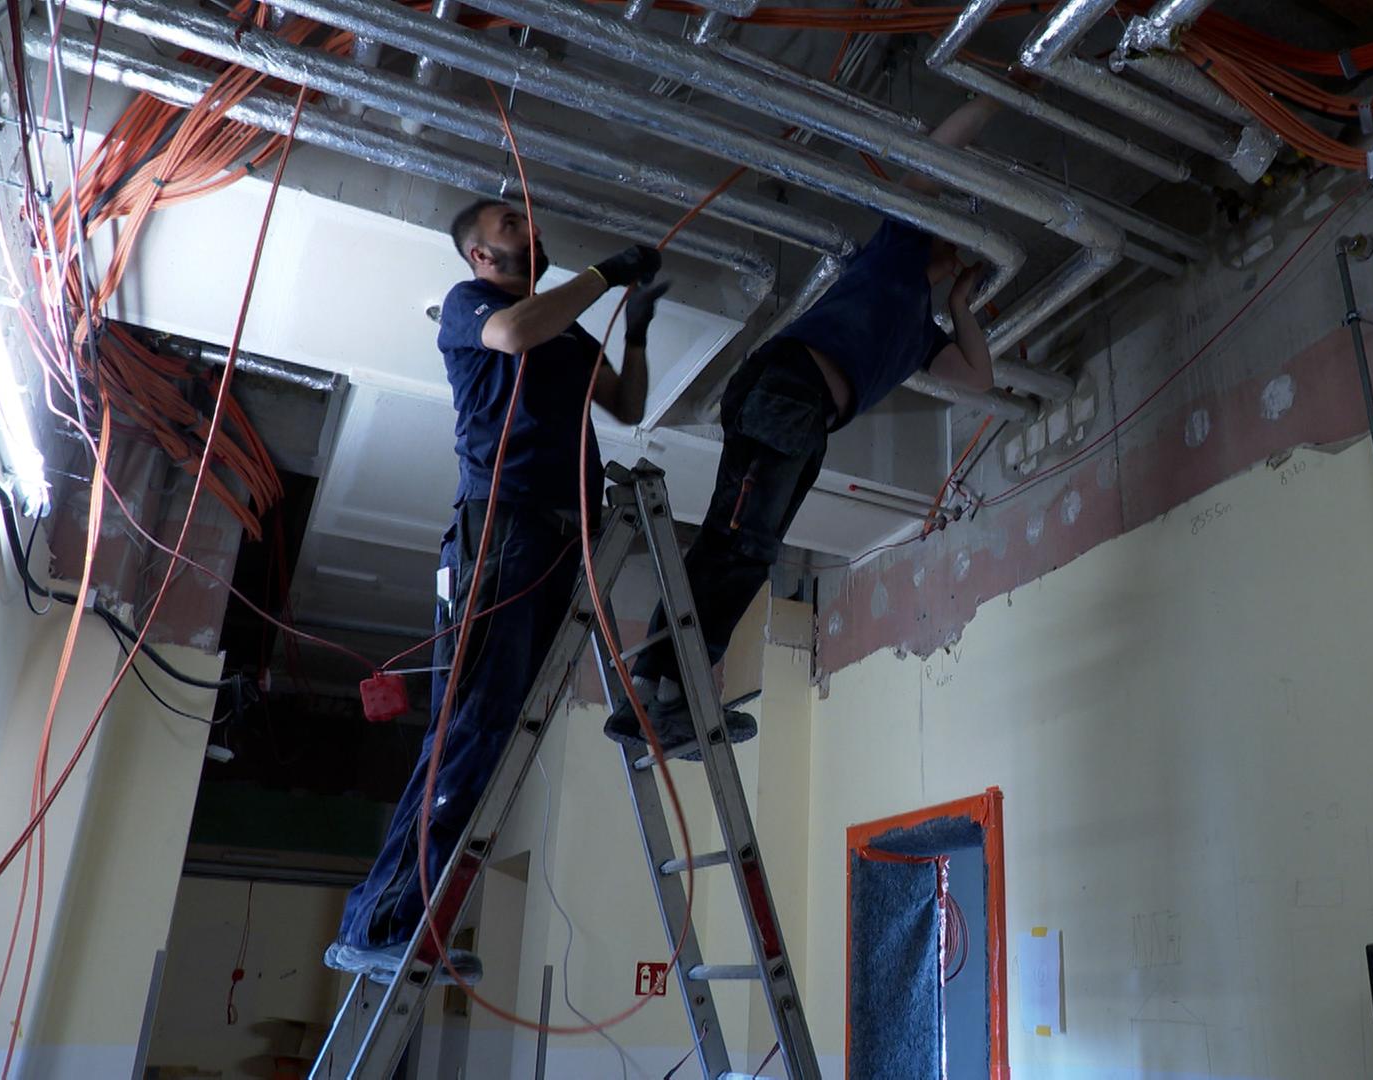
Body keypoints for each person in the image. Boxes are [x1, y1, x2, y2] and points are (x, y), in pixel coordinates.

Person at [324, 200, 668, 982]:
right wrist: (607, 272)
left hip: (553, 539)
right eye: (512, 223)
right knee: (469, 731)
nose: (532, 226)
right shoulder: (470, 305)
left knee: (497, 738)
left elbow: (628, 404)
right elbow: (513, 336)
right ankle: (374, 922)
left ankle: (413, 923)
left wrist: (635, 322)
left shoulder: (564, 328)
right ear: (479, 254)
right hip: (501, 533)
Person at [606, 96, 1001, 749]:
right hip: (788, 394)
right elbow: (933, 156)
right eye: (955, 248)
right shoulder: (897, 250)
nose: (957, 256)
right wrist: (1001, 95)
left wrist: (959, 300)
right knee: (740, 548)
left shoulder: (920, 338)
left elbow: (979, 379)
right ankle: (666, 693)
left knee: (735, 546)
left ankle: (656, 688)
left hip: (800, 415)